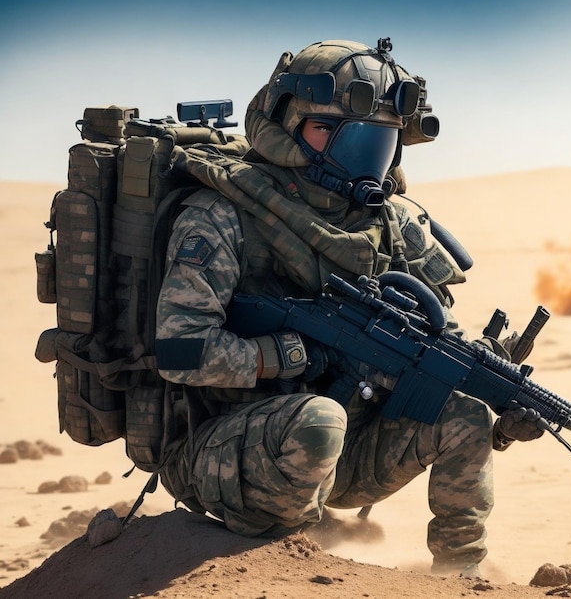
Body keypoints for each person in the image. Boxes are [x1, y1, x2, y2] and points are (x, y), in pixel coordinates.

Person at [154, 38, 543, 578]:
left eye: (375, 143)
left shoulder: (391, 226)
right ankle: (283, 566)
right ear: (284, 126)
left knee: (465, 413)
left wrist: (491, 397)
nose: (353, 159)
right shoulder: (221, 215)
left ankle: (459, 577)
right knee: (319, 419)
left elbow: (435, 337)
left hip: (347, 450)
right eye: (328, 133)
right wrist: (287, 354)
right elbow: (180, 353)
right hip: (228, 448)